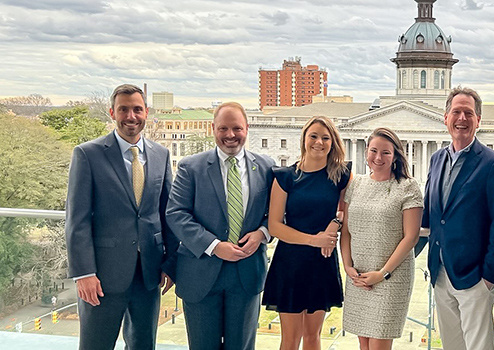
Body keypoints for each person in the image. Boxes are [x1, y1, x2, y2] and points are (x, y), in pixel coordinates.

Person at [65, 83, 176, 350]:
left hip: (148, 275)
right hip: (102, 276)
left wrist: (170, 263)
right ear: (112, 113)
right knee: (96, 345)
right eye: (124, 109)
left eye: (137, 109)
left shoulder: (161, 155)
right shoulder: (87, 154)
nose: (131, 116)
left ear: (146, 112)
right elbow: (77, 220)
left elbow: (167, 214)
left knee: (142, 344)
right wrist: (84, 273)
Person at [166, 102, 275, 350]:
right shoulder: (190, 167)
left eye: (237, 128)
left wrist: (262, 233)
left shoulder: (267, 167)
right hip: (200, 273)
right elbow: (176, 214)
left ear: (247, 128)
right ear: (213, 129)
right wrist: (214, 246)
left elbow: (278, 213)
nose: (230, 135)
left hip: (247, 273)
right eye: (223, 128)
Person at [421, 87, 494, 350]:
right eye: (456, 112)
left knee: (478, 346)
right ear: (445, 117)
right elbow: (431, 216)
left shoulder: (493, 163)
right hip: (441, 272)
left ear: (478, 120)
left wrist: (490, 277)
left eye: (468, 113)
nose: (461, 118)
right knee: (452, 345)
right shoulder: (437, 158)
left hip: (475, 277)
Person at [262, 116, 350, 350]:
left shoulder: (341, 176)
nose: (319, 142)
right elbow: (275, 226)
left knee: (313, 337)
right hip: (290, 262)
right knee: (290, 340)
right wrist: (315, 240)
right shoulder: (285, 177)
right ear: (304, 139)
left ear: (333, 142)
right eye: (314, 136)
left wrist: (333, 224)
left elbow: (344, 212)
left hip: (322, 261)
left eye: (325, 137)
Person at [340, 127, 423, 350]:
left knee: (378, 344)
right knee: (364, 344)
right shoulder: (356, 184)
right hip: (359, 275)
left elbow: (411, 237)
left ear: (395, 155)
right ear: (366, 151)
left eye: (386, 152)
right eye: (374, 150)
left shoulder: (408, 187)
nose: (378, 157)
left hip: (390, 277)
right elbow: (346, 229)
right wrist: (347, 266)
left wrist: (383, 273)